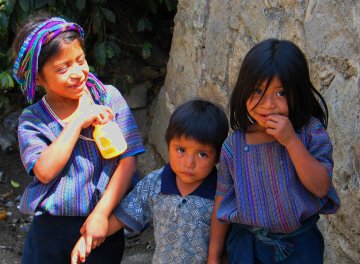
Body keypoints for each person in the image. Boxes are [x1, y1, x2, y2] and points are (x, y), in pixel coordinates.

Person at [12, 13, 145, 263]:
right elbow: (44, 171)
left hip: (101, 224)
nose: (77, 73)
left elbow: (128, 161)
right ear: (38, 78)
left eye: (80, 60)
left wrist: (101, 216)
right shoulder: (33, 120)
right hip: (49, 232)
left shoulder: (108, 98)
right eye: (63, 68)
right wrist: (79, 121)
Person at [207, 39, 341, 264]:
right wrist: (213, 255)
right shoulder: (234, 147)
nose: (268, 104)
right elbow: (222, 200)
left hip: (300, 247)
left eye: (280, 93)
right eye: (258, 90)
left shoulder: (310, 133)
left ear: (297, 93)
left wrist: (291, 142)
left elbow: (320, 187)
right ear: (243, 89)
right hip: (247, 246)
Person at [71, 99, 229, 264]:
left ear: (217, 156)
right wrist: (88, 238)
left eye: (202, 154)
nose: (189, 163)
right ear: (168, 145)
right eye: (181, 150)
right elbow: (126, 214)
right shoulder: (155, 183)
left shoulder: (221, 193)